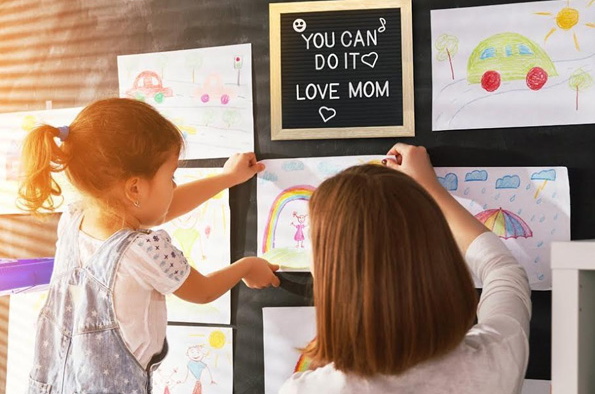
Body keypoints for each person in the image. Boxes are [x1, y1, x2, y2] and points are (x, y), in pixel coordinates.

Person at [19, 98, 279, 393]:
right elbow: (203, 291)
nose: (175, 186)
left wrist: (227, 178)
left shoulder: (75, 217)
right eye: (171, 176)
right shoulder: (143, 250)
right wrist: (248, 266)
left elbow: (161, 209)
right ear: (134, 188)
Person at [280, 143, 531, 394]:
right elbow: (503, 270)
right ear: (440, 257)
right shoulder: (495, 358)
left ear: (331, 272)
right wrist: (431, 190)